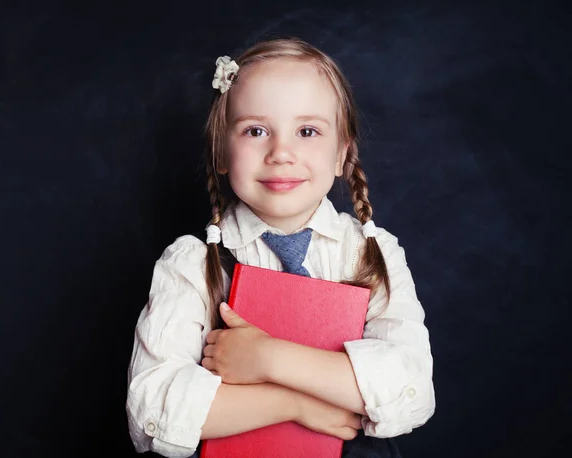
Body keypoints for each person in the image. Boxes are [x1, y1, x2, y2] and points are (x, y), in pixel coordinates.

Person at [126, 37, 435, 458]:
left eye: (307, 131)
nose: (281, 153)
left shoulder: (372, 253)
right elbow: (151, 410)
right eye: (256, 130)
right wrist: (297, 403)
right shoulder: (192, 265)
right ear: (221, 150)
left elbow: (410, 390)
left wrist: (267, 359)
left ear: (343, 151)